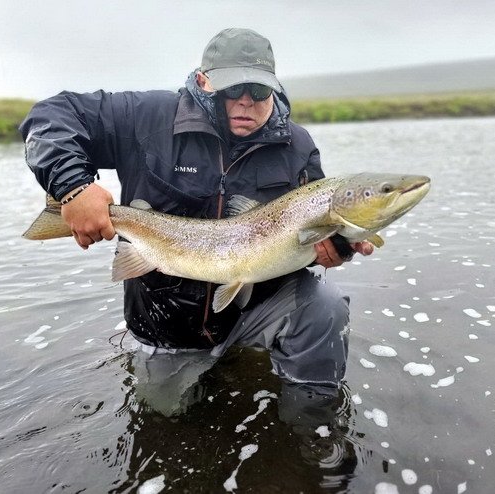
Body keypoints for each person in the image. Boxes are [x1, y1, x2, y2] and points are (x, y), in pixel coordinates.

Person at [20, 28, 373, 411]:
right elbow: (49, 116)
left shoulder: (298, 145)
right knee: (165, 426)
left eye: (258, 91)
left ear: (274, 87)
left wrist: (337, 248)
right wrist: (73, 188)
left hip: (253, 309)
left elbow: (315, 231)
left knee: (327, 305)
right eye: (231, 90)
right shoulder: (147, 118)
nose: (245, 102)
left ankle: (312, 425)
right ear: (204, 82)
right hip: (166, 324)